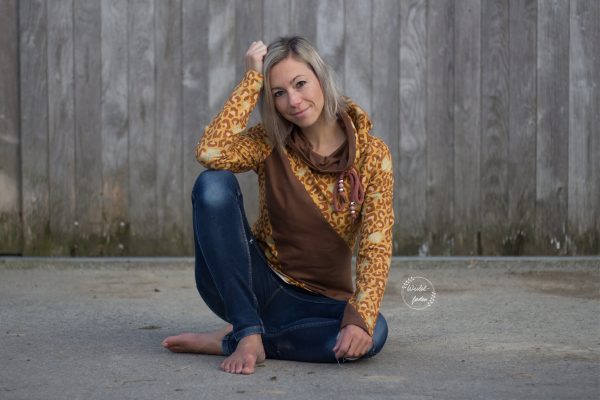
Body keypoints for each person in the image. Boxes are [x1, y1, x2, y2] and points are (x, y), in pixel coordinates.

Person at [162, 36, 394, 375]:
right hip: (249, 285)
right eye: (278, 93)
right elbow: (210, 153)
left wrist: (360, 319)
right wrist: (251, 79)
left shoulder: (372, 154)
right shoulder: (270, 140)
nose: (293, 101)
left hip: (317, 302)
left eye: (300, 84)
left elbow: (377, 246)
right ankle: (247, 329)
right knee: (212, 184)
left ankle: (238, 338)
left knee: (374, 332)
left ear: (321, 78)